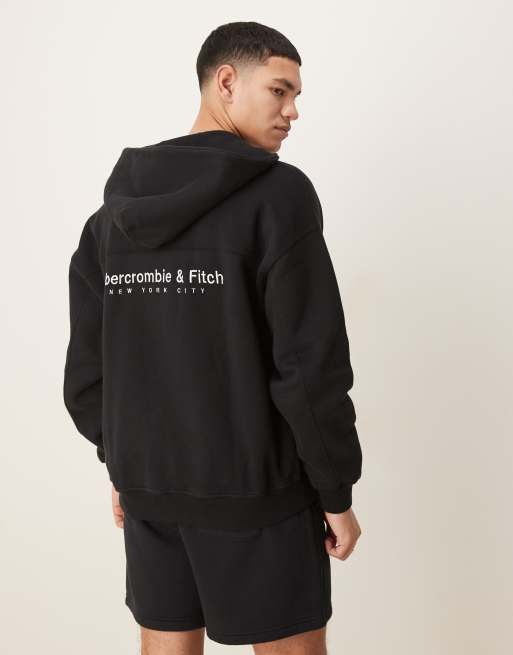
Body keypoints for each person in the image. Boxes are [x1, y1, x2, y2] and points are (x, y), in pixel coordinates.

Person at [63, 20, 363, 654]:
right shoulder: (280, 196)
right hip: (259, 497)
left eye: (296, 96)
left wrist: (124, 460)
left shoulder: (110, 219)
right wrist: (335, 490)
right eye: (280, 90)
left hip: (150, 494)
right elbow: (308, 364)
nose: (293, 111)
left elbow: (89, 372)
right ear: (226, 81)